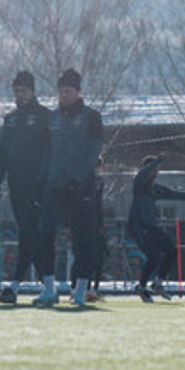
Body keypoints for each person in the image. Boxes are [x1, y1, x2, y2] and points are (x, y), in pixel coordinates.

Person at [32, 69, 105, 308]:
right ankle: (49, 288)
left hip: (80, 187)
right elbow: (46, 151)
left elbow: (94, 150)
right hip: (53, 186)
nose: (64, 95)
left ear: (78, 91)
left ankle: (80, 289)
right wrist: (41, 180)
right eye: (61, 91)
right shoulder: (51, 118)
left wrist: (78, 178)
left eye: (68, 91)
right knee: (44, 235)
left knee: (83, 239)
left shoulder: (91, 117)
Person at [0, 71, 52, 304]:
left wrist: (45, 181)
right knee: (30, 237)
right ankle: (49, 287)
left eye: (24, 90)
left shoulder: (45, 116)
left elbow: (51, 152)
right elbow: (3, 153)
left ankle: (13, 287)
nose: (20, 95)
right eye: (16, 91)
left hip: (38, 187)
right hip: (16, 186)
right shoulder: (11, 119)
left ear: (33, 91)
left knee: (28, 235)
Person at [126, 156, 185, 303]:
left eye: (157, 170)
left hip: (150, 226)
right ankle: (141, 287)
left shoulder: (156, 189)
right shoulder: (139, 183)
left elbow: (180, 195)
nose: (155, 172)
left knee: (172, 251)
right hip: (138, 226)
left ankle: (158, 283)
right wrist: (159, 159)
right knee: (153, 256)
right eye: (153, 169)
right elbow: (142, 174)